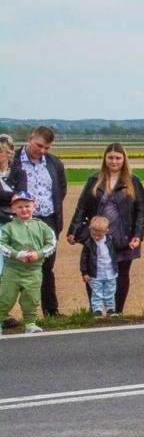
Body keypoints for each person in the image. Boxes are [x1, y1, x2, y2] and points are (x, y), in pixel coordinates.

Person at [65, 142, 144, 314]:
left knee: (121, 273)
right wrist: (73, 230)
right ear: (105, 159)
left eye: (118, 158)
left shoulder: (134, 181)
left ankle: (116, 311)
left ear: (124, 160)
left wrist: (138, 235)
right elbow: (81, 206)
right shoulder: (94, 180)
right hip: (97, 236)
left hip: (123, 236)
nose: (114, 161)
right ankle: (95, 310)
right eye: (110, 157)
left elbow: (140, 210)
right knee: (94, 271)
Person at [6, 127, 67, 317]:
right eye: (39, 145)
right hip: (19, 221)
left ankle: (51, 311)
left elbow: (61, 190)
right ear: (30, 139)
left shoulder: (54, 163)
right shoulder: (13, 161)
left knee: (46, 267)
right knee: (15, 268)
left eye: (46, 148)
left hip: (48, 221)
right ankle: (8, 315)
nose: (42, 151)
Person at [0, 191, 55, 334]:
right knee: (5, 297)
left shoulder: (42, 227)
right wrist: (17, 254)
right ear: (13, 209)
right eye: (19, 207)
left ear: (33, 206)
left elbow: (51, 243)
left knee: (31, 298)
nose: (24, 209)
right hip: (12, 271)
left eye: (27, 206)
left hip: (33, 271)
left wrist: (39, 254)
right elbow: (1, 244)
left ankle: (30, 323)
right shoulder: (8, 228)